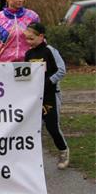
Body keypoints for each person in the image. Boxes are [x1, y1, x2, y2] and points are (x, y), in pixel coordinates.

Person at [24, 22, 69, 170]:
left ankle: (63, 151)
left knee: (52, 126)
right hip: (34, 97)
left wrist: (47, 82)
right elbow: (26, 75)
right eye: (26, 39)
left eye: (31, 39)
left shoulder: (50, 51)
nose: (28, 42)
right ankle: (31, 160)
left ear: (41, 36)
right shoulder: (28, 54)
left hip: (50, 96)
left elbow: (61, 70)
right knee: (32, 128)